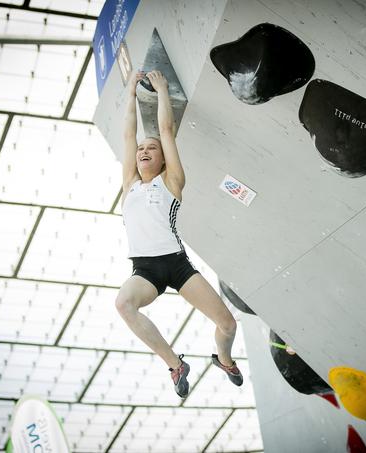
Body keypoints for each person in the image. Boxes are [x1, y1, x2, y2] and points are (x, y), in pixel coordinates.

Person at [115, 70, 242, 398]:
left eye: (152, 149)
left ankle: (224, 360)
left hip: (176, 264)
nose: (144, 150)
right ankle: (175, 365)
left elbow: (167, 130)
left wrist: (161, 90)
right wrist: (129, 91)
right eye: (142, 149)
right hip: (144, 269)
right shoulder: (129, 184)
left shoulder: (171, 181)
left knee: (228, 325)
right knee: (124, 304)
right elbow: (128, 135)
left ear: (162, 160)